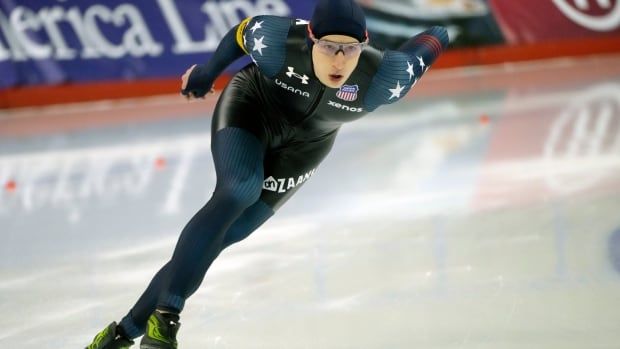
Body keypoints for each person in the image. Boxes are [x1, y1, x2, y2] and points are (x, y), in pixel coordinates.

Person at [85, 0, 448, 348]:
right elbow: (240, 35)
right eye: (327, 47)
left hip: (306, 146)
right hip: (252, 109)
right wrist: (208, 73)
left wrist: (443, 28)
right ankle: (165, 320)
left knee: (229, 233)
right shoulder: (278, 41)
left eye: (350, 49)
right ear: (310, 38)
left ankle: (120, 335)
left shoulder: (386, 78)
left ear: (364, 44)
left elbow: (429, 43)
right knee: (239, 189)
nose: (339, 60)